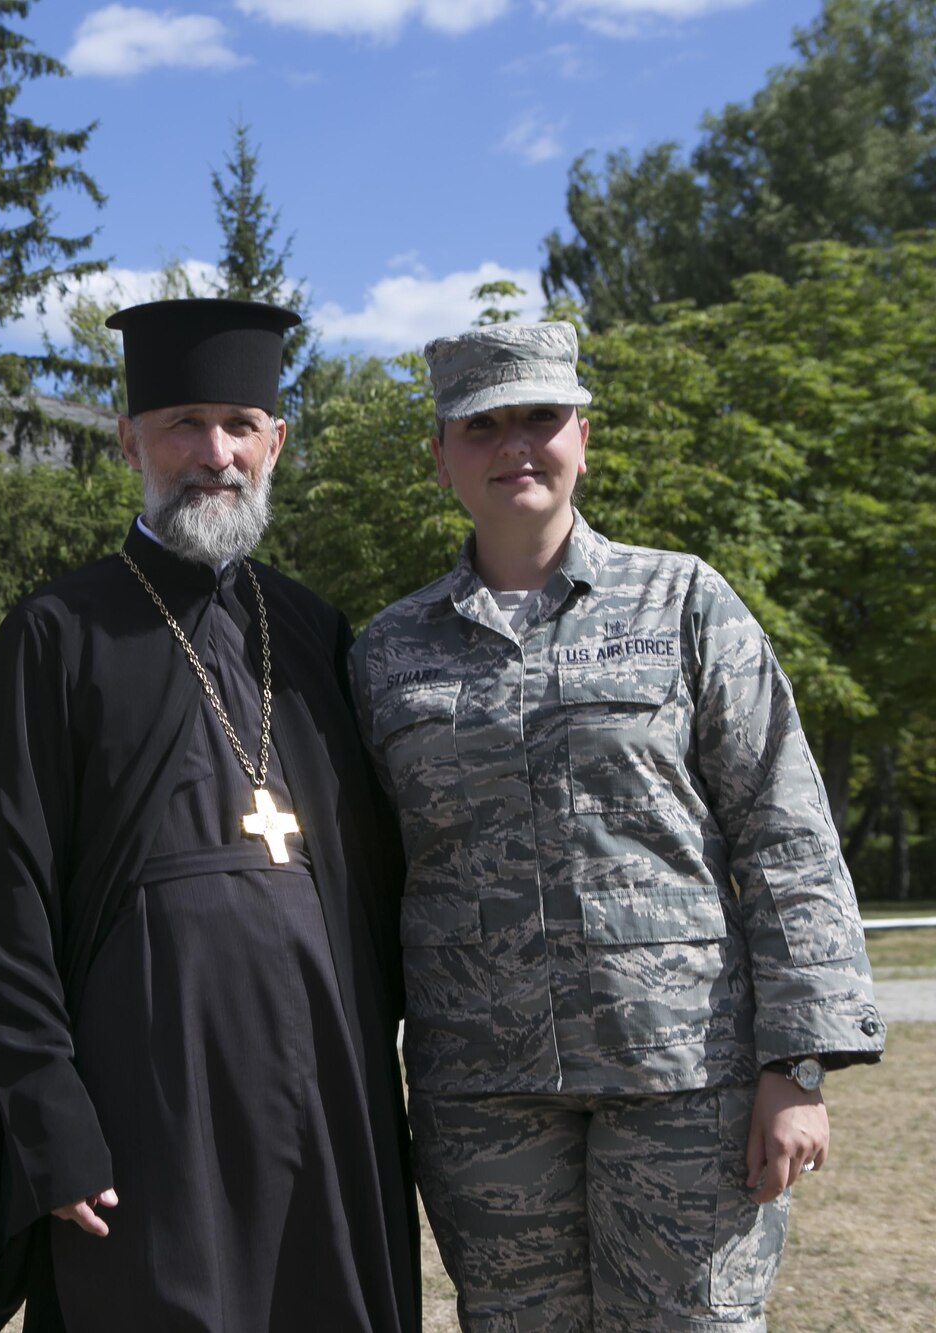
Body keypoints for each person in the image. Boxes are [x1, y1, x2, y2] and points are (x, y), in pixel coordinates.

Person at [349, 320, 887, 1330]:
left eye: (540, 417)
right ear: (438, 456)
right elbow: (363, 880)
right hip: (481, 1090)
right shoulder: (386, 652)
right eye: (481, 424)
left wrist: (796, 1065)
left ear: (582, 436)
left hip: (683, 1083)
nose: (514, 443)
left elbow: (784, 829)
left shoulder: (682, 601)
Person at [0, 298, 419, 1331]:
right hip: (147, 1104)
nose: (210, 453)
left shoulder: (315, 630)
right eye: (179, 424)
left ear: (274, 442)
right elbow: (8, 898)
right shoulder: (54, 632)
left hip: (327, 1086)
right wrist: (47, 1114)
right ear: (129, 439)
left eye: (235, 425)